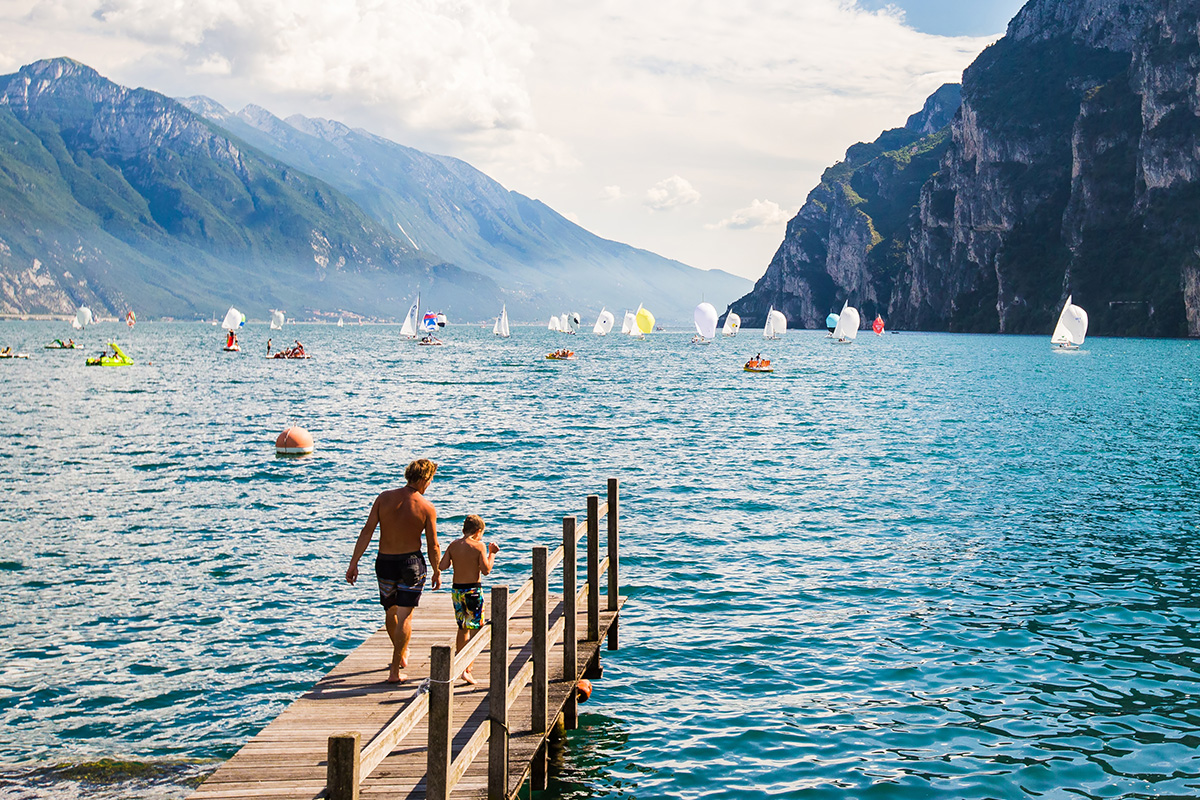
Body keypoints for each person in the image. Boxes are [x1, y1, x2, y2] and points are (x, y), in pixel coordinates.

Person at [346, 459, 442, 684]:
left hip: (385, 562)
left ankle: (401, 652)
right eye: (429, 481)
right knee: (405, 616)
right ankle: (395, 670)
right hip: (411, 564)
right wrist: (437, 570)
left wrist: (354, 562)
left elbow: (367, 531)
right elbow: (433, 545)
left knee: (391, 611)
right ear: (423, 479)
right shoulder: (426, 507)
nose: (429, 485)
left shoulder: (384, 498)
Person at [438, 515, 499, 685]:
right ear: (478, 532)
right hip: (473, 590)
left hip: (457, 591)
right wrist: (491, 553)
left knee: (462, 627)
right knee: (476, 630)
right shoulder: (478, 546)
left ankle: (460, 666)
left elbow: (442, 566)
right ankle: (467, 669)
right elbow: (486, 570)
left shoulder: (453, 545)